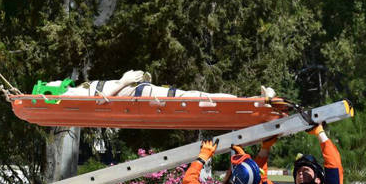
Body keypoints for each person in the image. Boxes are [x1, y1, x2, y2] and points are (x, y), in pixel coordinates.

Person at [37, 70, 277, 102]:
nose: (52, 79)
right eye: (49, 83)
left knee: (199, 95)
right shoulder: (72, 97)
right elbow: (98, 102)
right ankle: (253, 100)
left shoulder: (77, 89)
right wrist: (124, 80)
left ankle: (253, 99)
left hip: (145, 90)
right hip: (143, 94)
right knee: (199, 97)